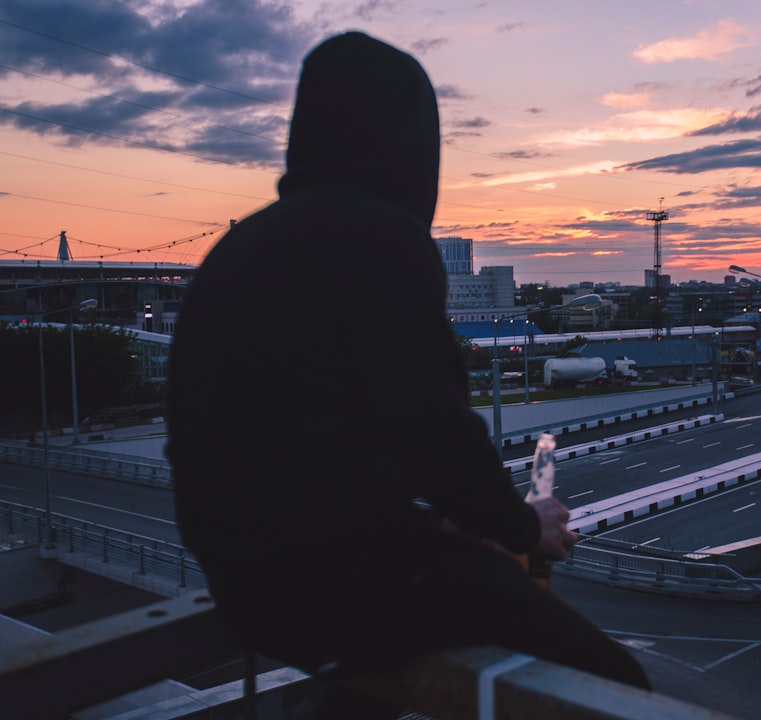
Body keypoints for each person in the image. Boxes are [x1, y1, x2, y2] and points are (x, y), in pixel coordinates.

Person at [164, 30, 650, 711]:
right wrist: (522, 526)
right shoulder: (380, 239)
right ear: (414, 141)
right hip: (342, 585)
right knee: (614, 689)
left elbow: (318, 449)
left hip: (243, 581)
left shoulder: (243, 245)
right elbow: (433, 432)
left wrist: (452, 525)